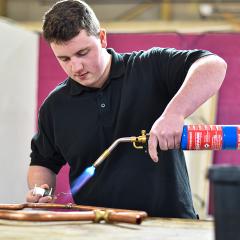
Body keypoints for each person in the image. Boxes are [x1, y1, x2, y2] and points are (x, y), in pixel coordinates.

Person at [26, 0, 227, 218]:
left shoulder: (150, 67)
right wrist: (40, 190)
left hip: (170, 227)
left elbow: (213, 65)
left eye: (83, 53)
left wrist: (175, 113)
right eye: (64, 59)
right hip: (95, 228)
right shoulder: (55, 107)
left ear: (102, 38)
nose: (76, 67)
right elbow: (42, 163)